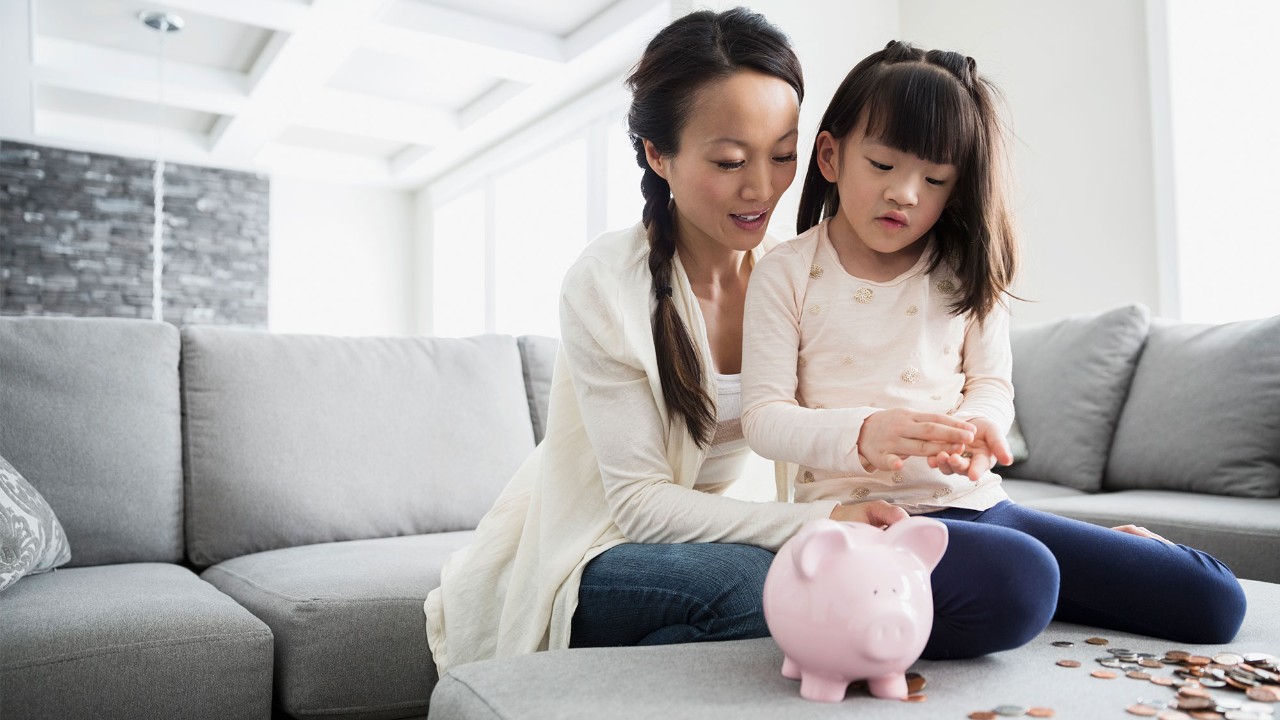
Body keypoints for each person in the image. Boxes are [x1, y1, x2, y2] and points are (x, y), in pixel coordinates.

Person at [741, 40, 1247, 653]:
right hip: (867, 526)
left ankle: (1081, 565)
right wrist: (864, 433)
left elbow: (991, 385)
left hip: (978, 506)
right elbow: (764, 419)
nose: (905, 192)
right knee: (1021, 579)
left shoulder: (965, 271)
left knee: (1216, 602)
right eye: (882, 166)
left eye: (933, 180)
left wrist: (982, 426)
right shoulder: (785, 273)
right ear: (830, 154)